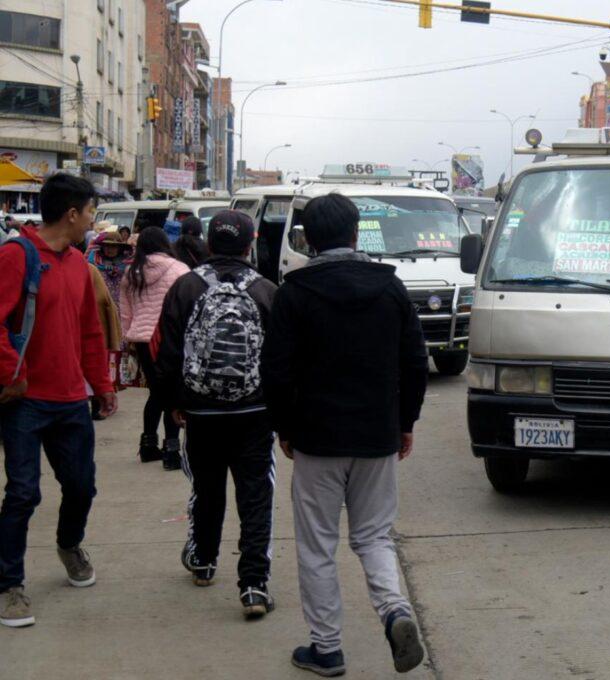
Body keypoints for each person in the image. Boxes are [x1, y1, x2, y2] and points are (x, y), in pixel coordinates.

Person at [262, 193, 429, 676]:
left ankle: (327, 648)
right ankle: (395, 611)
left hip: (316, 438)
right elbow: (415, 361)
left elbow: (275, 370)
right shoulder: (390, 288)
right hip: (377, 435)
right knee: (374, 537)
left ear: (307, 239)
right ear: (357, 234)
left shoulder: (295, 293)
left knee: (317, 547)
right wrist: (406, 423)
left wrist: (285, 427)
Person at [0, 173, 117, 629]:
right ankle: (10, 585)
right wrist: (14, 372)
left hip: (71, 399)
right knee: (23, 493)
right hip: (24, 400)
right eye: (91, 212)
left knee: (82, 486)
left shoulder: (77, 264)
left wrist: (101, 385)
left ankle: (69, 544)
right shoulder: (16, 256)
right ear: (72, 214)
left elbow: (90, 329)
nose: (93, 220)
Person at [155, 210, 277, 619]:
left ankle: (205, 563)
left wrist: (175, 402)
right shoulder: (266, 291)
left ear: (209, 242)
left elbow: (169, 352)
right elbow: (280, 359)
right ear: (249, 245)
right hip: (255, 411)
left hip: (201, 409)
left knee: (208, 489)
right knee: (255, 496)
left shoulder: (186, 287)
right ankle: (254, 587)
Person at [119, 227, 189, 470]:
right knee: (171, 394)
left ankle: (148, 445)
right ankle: (171, 450)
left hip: (141, 339)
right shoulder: (179, 270)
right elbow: (187, 305)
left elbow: (125, 311)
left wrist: (127, 338)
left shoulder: (131, 272)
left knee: (156, 393)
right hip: (170, 339)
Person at [87, 263, 122, 420]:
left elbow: (103, 298)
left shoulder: (90, 269)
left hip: (100, 319)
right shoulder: (93, 267)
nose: (110, 249)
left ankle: (97, 403)